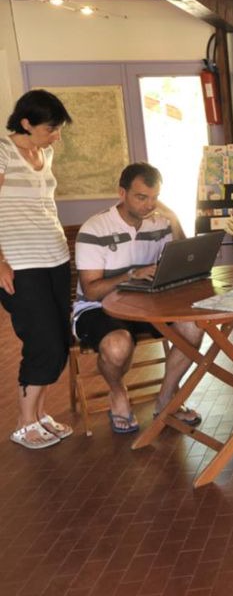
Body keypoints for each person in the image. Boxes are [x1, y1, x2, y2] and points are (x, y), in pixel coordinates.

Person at [74, 163, 203, 434]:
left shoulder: (159, 221)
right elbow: (91, 291)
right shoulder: (95, 228)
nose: (149, 205)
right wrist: (130, 275)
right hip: (98, 307)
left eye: (154, 198)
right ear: (122, 193)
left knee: (192, 327)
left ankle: (167, 398)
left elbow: (183, 259)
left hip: (146, 303)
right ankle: (118, 392)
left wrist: (175, 218)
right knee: (118, 346)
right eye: (141, 197)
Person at [1, 90, 75, 449]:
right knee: (41, 339)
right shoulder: (1, 152)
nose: (56, 136)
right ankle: (23, 422)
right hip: (20, 261)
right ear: (26, 123)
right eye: (51, 128)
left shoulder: (44, 153)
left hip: (55, 257)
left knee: (60, 340)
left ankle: (41, 415)